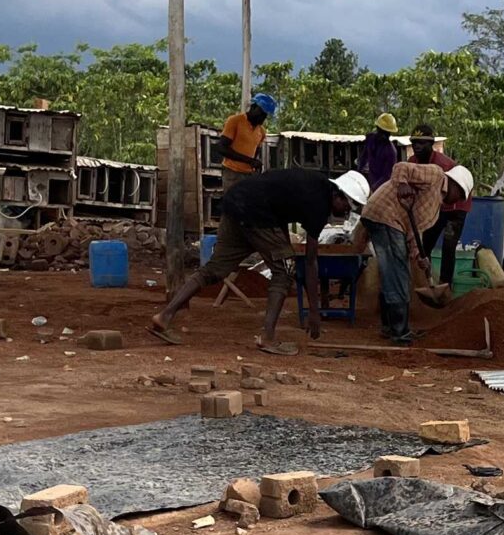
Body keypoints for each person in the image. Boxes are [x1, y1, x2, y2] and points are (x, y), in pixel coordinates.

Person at [150, 162, 350, 355]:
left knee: (215, 269)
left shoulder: (313, 183)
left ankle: (164, 316)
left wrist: (282, 246)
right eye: (346, 206)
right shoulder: (320, 204)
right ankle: (267, 337)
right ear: (338, 195)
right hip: (256, 213)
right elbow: (310, 261)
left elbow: (279, 209)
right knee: (285, 270)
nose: (346, 213)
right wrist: (314, 311)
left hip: (235, 202)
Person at [361, 127, 448, 345]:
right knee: (397, 272)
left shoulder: (434, 205)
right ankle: (399, 331)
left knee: (395, 270)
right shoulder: (436, 174)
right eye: (414, 142)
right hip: (385, 215)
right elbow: (400, 167)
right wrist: (401, 184)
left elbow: (413, 232)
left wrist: (420, 257)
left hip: (389, 219)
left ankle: (391, 326)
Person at [424, 135, 473, 285]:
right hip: (440, 205)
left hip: (455, 209)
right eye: (415, 143)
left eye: (422, 143)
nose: (417, 147)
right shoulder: (416, 162)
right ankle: (425, 280)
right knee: (426, 243)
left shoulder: (443, 165)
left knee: (449, 245)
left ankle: (445, 284)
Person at [215, 90, 277, 190]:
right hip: (232, 173)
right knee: (234, 199)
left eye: (265, 115)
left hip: (249, 175)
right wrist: (249, 160)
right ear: (253, 107)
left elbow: (255, 154)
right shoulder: (235, 121)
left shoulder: (261, 131)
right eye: (261, 113)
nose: (263, 117)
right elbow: (221, 148)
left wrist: (255, 164)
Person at [358, 112, 399, 191]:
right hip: (369, 180)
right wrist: (359, 173)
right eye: (382, 132)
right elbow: (363, 157)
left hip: (382, 187)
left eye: (387, 133)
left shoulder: (391, 151)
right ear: (377, 129)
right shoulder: (370, 139)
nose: (384, 136)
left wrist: (374, 188)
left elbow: (387, 176)